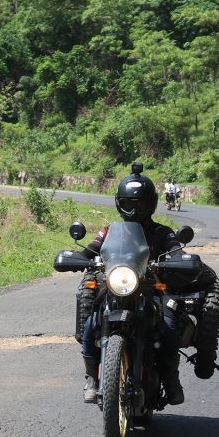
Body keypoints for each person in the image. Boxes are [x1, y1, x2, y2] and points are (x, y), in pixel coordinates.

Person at [80, 164, 185, 406]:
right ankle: (91, 378)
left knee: (169, 324)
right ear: (119, 204)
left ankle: (170, 378)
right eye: (128, 204)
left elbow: (176, 251)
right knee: (91, 324)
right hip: (117, 286)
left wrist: (178, 260)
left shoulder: (163, 232)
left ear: (151, 205)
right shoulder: (109, 231)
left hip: (153, 289)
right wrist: (79, 256)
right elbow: (91, 249)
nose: (134, 209)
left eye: (141, 204)